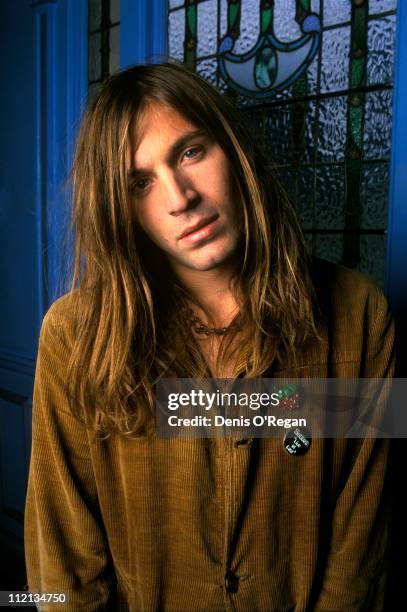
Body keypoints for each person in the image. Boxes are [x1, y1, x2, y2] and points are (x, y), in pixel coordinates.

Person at [24, 62, 395, 611]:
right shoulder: (74, 336)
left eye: (190, 152)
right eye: (140, 182)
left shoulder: (360, 315)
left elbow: (359, 549)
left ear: (233, 151)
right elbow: (63, 567)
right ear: (119, 207)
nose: (180, 198)